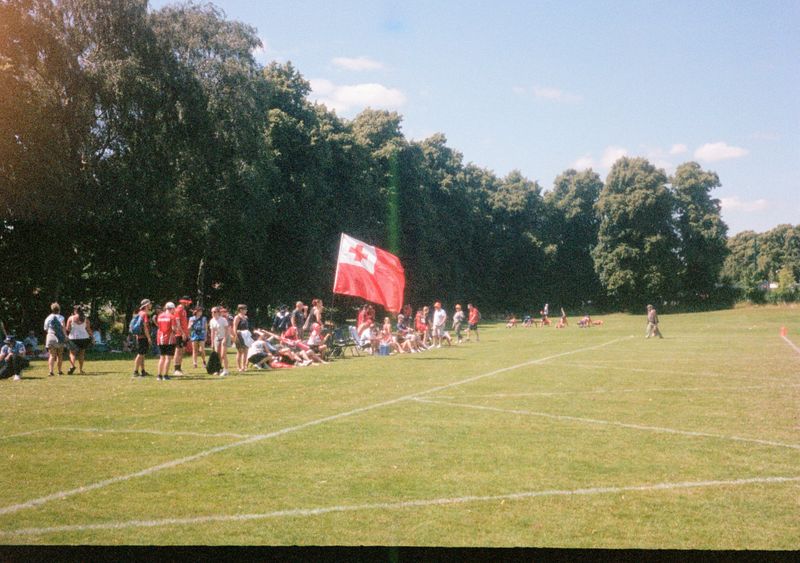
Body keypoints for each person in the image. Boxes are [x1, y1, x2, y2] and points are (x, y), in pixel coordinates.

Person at [156, 302, 180, 380]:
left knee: (161, 357)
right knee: (168, 358)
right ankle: (165, 375)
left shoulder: (160, 316)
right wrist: (177, 331)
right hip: (169, 339)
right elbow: (173, 328)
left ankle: (159, 375)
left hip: (160, 339)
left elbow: (159, 326)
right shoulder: (172, 317)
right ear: (172, 308)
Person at [65, 305, 92, 374]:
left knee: (72, 354)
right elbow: (88, 329)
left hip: (73, 338)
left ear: (75, 311)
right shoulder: (85, 319)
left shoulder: (71, 318)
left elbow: (67, 329)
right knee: (81, 354)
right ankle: (81, 369)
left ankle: (72, 366)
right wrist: (92, 336)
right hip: (84, 338)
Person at [43, 302, 66, 376]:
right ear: (59, 309)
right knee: (60, 355)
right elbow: (63, 329)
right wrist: (65, 336)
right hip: (59, 337)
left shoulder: (48, 318)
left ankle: (51, 371)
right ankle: (59, 371)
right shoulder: (61, 317)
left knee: (52, 355)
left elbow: (45, 329)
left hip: (50, 336)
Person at [132, 299, 153, 378]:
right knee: (140, 354)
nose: (151, 305)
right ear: (146, 305)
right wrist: (149, 338)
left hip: (139, 336)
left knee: (142, 354)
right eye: (150, 304)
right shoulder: (144, 314)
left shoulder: (139, 313)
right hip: (143, 337)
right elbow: (145, 327)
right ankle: (135, 371)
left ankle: (143, 371)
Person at [172, 296, 192, 376]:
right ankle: (176, 369)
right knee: (178, 351)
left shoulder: (184, 310)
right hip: (179, 334)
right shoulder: (178, 310)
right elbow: (178, 323)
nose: (188, 304)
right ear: (184, 302)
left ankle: (179, 368)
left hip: (184, 333)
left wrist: (187, 333)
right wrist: (183, 333)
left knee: (182, 351)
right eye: (188, 302)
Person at [209, 306, 230, 377]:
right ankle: (218, 369)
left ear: (218, 312)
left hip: (225, 337)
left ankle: (226, 370)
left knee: (223, 355)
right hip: (217, 338)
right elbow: (212, 332)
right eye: (212, 312)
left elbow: (227, 330)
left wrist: (224, 339)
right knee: (218, 356)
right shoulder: (212, 321)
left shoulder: (223, 319)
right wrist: (212, 342)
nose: (213, 313)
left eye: (214, 312)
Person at [232, 304, 250, 372]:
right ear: (241, 310)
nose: (246, 310)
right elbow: (234, 327)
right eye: (245, 309)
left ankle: (244, 366)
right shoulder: (237, 317)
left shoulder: (246, 317)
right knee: (240, 351)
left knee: (246, 351)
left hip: (246, 335)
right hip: (239, 335)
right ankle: (238, 367)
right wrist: (236, 335)